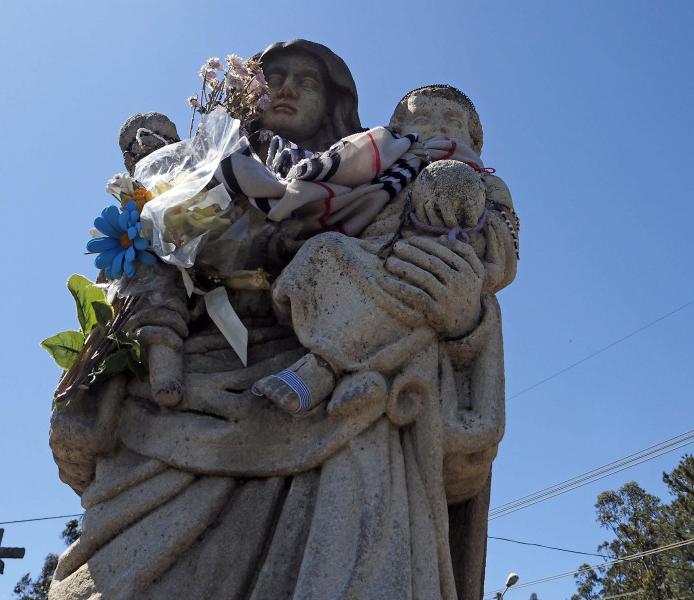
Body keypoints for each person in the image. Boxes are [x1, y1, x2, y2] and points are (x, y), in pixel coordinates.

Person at [49, 41, 511, 600]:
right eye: (273, 78)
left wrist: (463, 321)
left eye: (306, 81)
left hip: (343, 407)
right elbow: (146, 268)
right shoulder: (200, 175)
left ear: (337, 104)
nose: (286, 89)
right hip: (182, 399)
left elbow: (421, 285)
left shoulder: (374, 185)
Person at [253, 84, 519, 415]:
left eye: (452, 120)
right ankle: (363, 379)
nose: (438, 126)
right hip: (373, 258)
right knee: (324, 250)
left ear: (472, 137)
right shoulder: (382, 169)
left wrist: (457, 194)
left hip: (439, 262)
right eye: (422, 116)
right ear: (399, 129)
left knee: (426, 288)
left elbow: (504, 249)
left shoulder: (487, 182)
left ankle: (324, 367)